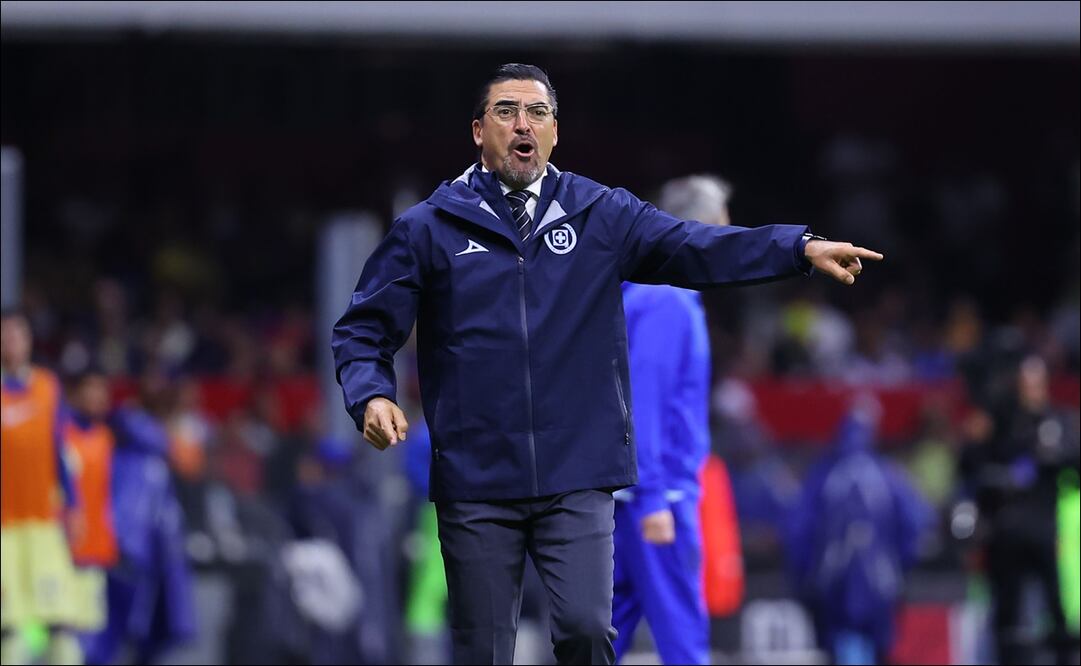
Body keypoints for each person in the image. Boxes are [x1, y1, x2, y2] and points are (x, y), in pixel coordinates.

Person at [332, 63, 882, 666]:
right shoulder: (429, 228)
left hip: (578, 473)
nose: (524, 124)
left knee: (588, 630)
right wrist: (371, 393)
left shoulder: (600, 213)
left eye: (538, 113)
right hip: (477, 474)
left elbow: (697, 244)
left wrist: (798, 248)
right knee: (483, 649)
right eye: (507, 111)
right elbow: (363, 327)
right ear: (478, 131)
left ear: (555, 132)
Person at [611, 174, 732, 665]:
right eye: (724, 225)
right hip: (658, 498)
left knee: (604, 634)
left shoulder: (651, 292)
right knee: (683, 635)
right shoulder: (668, 298)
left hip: (632, 495)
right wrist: (655, 497)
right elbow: (645, 401)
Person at [785, 398, 930, 665]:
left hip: (832, 583)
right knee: (877, 648)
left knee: (838, 645)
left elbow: (798, 532)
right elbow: (915, 525)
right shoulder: (889, 475)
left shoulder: (823, 476)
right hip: (881, 582)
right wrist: (901, 565)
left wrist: (804, 577)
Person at [960, 353, 1079, 665]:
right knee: (1008, 614)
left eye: (1036, 384)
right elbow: (974, 466)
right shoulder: (1002, 421)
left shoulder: (1059, 422)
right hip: (1007, 533)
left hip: (1047, 533)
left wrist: (1051, 456)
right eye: (1026, 384)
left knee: (1058, 610)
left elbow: (1073, 462)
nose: (1031, 391)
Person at [1, 308, 83, 665]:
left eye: (16, 333)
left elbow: (60, 450)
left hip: (43, 523)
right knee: (9, 631)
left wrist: (74, 504)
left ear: (29, 339)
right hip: (3, 528)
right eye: (4, 334)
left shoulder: (47, 387)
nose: (10, 341)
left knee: (60, 626)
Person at [62, 366, 120, 647]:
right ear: (73, 393)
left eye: (102, 389)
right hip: (60, 550)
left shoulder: (107, 438)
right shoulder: (60, 435)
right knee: (54, 630)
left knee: (88, 631)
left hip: (95, 550)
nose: (97, 396)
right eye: (90, 388)